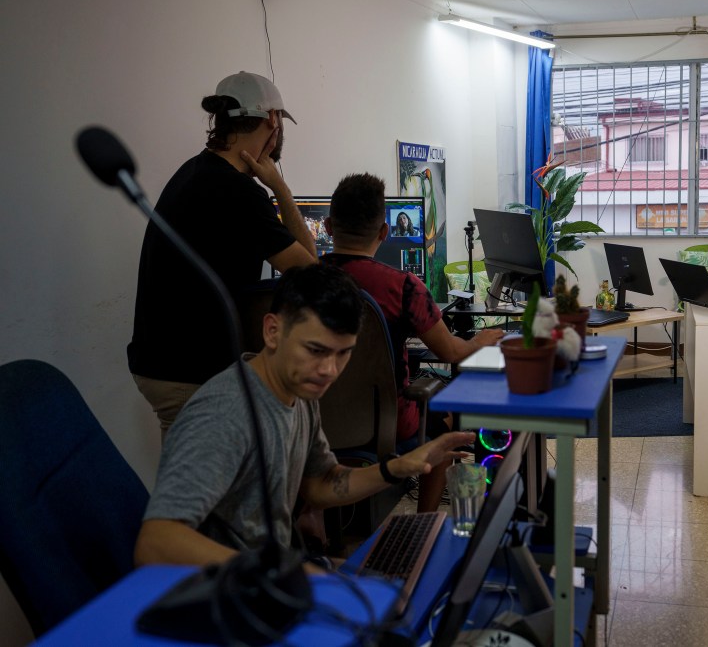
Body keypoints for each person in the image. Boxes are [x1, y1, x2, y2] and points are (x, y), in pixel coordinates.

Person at [135, 264, 473, 568]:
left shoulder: (300, 391)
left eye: (343, 354)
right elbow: (155, 542)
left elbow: (320, 484)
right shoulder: (224, 413)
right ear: (272, 331)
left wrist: (396, 467)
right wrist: (287, 575)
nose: (328, 370)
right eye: (316, 350)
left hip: (272, 579)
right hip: (226, 597)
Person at [128, 72, 318, 437]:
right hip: (190, 373)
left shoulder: (194, 171)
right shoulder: (238, 192)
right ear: (272, 121)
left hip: (161, 363)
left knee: (193, 484)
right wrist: (279, 186)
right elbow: (310, 270)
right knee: (213, 489)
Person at [323, 173, 504, 511]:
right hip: (389, 422)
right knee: (444, 412)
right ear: (384, 232)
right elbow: (450, 351)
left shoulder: (303, 281)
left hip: (313, 417)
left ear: (329, 227)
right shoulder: (404, 286)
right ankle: (424, 520)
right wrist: (479, 340)